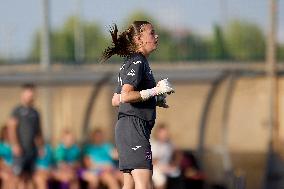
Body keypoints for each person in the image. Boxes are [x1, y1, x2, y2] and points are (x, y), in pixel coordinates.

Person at [101, 21, 175, 189]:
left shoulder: (133, 61)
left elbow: (116, 99)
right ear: (138, 39)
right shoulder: (138, 61)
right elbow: (126, 96)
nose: (156, 36)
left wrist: (155, 99)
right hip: (133, 128)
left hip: (129, 128)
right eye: (151, 33)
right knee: (145, 185)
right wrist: (155, 91)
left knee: (130, 185)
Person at [8, 83, 42, 188]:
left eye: (32, 93)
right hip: (20, 151)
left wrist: (41, 147)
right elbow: (11, 128)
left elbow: (38, 132)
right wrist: (15, 144)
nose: (30, 96)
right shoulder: (17, 111)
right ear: (23, 94)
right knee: (16, 177)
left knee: (28, 177)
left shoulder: (35, 112)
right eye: (28, 93)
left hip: (31, 150)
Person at [151, 124, 180, 189]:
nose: (164, 135)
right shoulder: (153, 144)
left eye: (166, 133)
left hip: (167, 167)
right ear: (157, 133)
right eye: (162, 133)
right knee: (160, 179)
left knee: (177, 173)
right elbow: (150, 160)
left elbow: (178, 152)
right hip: (155, 168)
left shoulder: (169, 143)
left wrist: (175, 162)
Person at [0, 124, 17, 189]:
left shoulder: (15, 145)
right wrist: (6, 168)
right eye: (6, 133)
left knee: (15, 179)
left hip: (14, 168)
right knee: (7, 178)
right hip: (3, 169)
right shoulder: (1, 146)